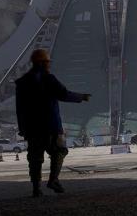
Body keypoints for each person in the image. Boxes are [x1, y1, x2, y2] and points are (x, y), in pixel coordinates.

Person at [16, 49, 91, 197]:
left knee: (35, 158)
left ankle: (36, 189)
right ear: (42, 63)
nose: (49, 65)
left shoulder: (23, 82)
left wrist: (23, 128)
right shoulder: (48, 79)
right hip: (51, 126)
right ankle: (53, 180)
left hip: (32, 128)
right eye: (47, 62)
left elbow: (20, 109)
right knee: (59, 151)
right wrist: (81, 97)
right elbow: (63, 94)